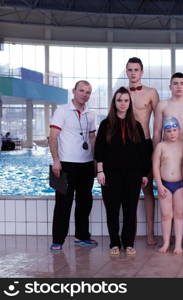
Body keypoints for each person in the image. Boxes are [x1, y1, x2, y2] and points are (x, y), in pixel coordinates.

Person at [94, 87, 151, 256]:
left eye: (126, 100)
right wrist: (100, 171)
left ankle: (128, 242)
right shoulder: (106, 124)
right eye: (120, 100)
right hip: (111, 174)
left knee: (130, 210)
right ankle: (114, 242)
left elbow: (142, 152)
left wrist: (143, 174)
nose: (123, 104)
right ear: (114, 102)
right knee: (112, 210)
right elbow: (99, 150)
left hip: (132, 175)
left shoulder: (136, 125)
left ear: (130, 103)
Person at [48, 80, 97, 252]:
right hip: (65, 165)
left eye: (88, 92)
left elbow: (92, 139)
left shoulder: (90, 114)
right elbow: (53, 136)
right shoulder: (62, 111)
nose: (85, 94)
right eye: (82, 90)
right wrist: (56, 160)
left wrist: (96, 163)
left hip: (86, 164)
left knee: (85, 202)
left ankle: (82, 236)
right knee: (63, 203)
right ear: (74, 91)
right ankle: (58, 240)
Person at [125, 57, 160, 246]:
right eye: (129, 70)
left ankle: (150, 233)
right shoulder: (121, 94)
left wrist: (157, 146)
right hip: (126, 146)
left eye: (136, 69)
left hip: (145, 144)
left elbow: (159, 122)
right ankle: (128, 232)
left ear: (142, 72)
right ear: (126, 72)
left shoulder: (151, 93)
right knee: (127, 190)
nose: (133, 73)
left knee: (147, 191)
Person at [153, 117, 183, 254]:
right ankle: (166, 242)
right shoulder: (161, 146)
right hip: (165, 184)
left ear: (179, 130)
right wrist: (159, 185)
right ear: (164, 133)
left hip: (180, 185)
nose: (172, 133)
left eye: (174, 130)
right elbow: (155, 167)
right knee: (166, 215)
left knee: (179, 214)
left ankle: (178, 244)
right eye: (169, 131)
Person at [153, 72, 183, 143]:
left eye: (182, 84)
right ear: (170, 87)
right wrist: (156, 151)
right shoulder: (162, 105)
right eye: (175, 83)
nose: (179, 86)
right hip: (168, 148)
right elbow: (157, 132)